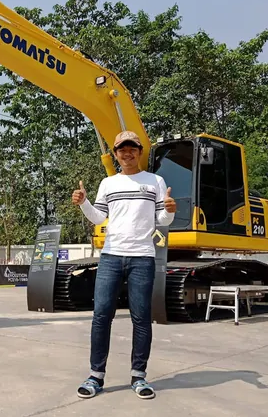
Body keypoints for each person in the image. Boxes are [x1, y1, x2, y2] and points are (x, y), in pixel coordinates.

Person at [72, 130, 176, 400]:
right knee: (101, 316)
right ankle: (96, 376)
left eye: (132, 148)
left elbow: (161, 220)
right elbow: (99, 218)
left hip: (142, 257)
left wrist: (169, 210)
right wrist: (84, 203)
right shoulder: (108, 183)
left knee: (141, 318)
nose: (127, 153)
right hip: (111, 257)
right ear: (116, 154)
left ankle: (139, 376)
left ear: (139, 152)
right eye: (121, 149)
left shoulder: (155, 181)